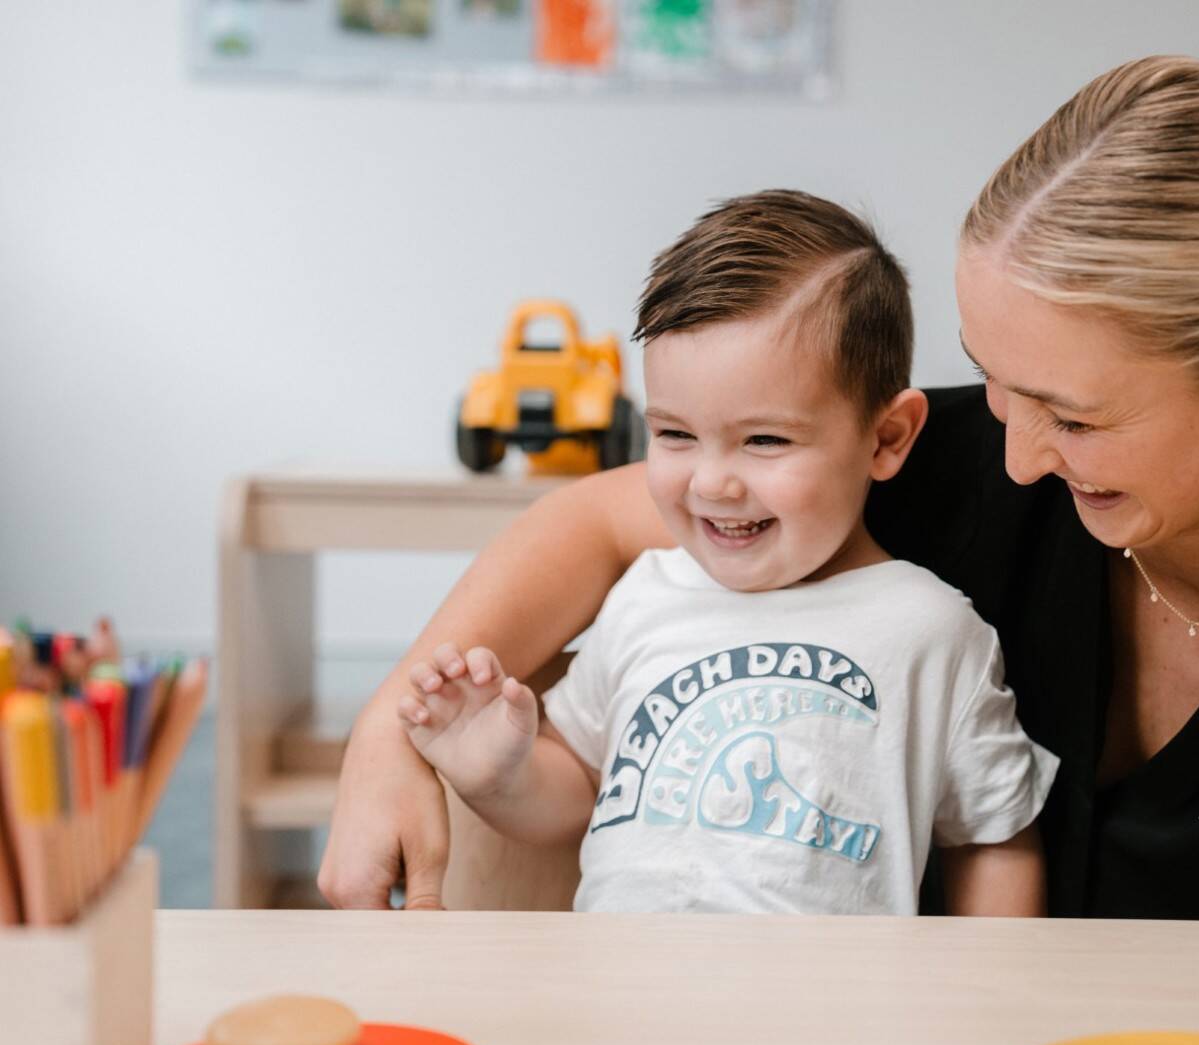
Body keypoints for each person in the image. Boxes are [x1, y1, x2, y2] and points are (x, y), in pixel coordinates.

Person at [320, 55, 1199, 926]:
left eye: (1075, 414)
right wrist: (386, 728)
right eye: (997, 383)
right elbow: (588, 518)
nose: (1018, 454)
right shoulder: (964, 473)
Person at [392, 190, 1057, 915]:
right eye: (675, 434)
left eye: (765, 440)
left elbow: (993, 838)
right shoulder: (645, 595)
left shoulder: (932, 631)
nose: (711, 482)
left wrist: (984, 999)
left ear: (887, 438)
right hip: (620, 1007)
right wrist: (498, 775)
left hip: (831, 1019)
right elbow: (578, 797)